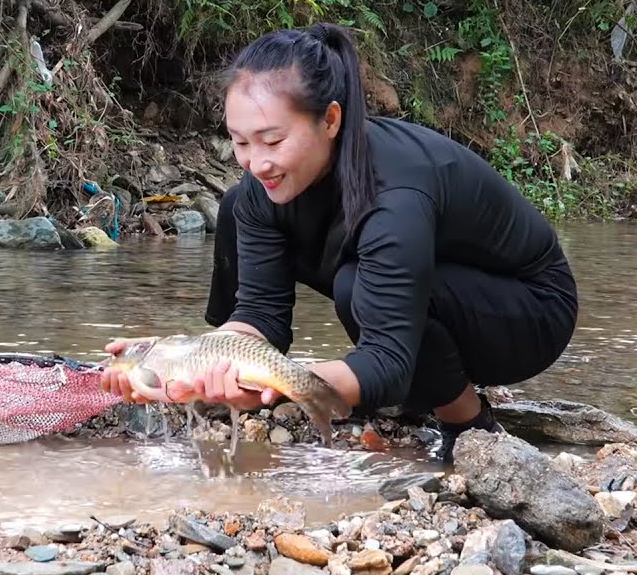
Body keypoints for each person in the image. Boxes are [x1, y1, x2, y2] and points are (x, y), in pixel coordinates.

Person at [101, 23, 579, 463]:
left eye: (272, 140)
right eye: (240, 142)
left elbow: (389, 361)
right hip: (418, 282)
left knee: (356, 287)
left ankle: (468, 421)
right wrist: (188, 360)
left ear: (330, 120)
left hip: (530, 312)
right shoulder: (260, 192)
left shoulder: (394, 194)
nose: (256, 162)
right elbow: (262, 315)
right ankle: (425, 388)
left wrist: (283, 387)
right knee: (235, 207)